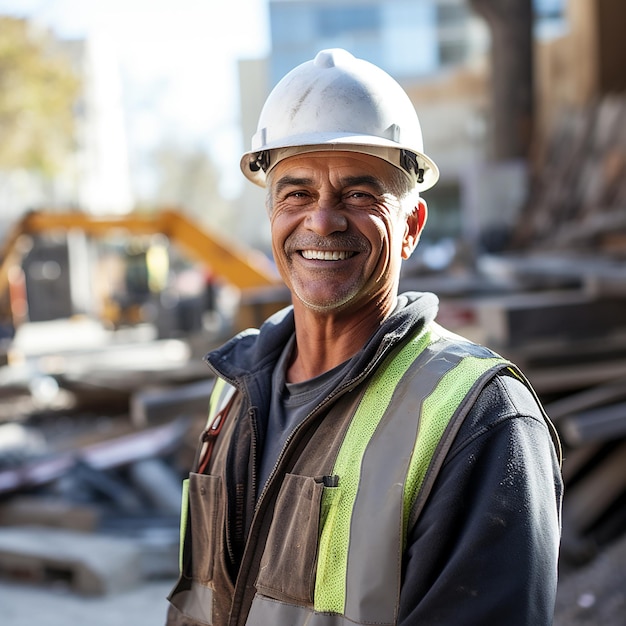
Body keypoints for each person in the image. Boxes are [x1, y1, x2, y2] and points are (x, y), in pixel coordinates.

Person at [165, 48, 563, 626]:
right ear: (272, 216)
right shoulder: (231, 395)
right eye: (296, 193)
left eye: (359, 193)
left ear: (411, 228)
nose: (322, 220)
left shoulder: (480, 420)